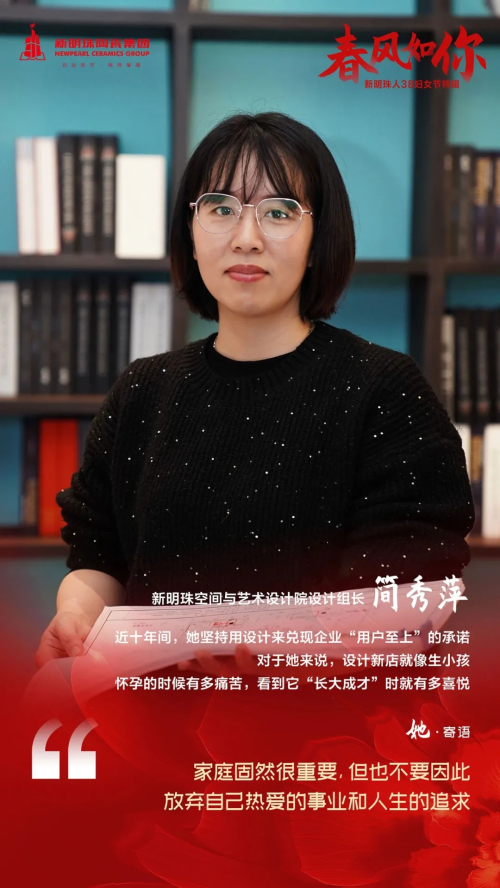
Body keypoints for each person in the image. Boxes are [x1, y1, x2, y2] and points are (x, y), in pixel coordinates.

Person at [35, 111, 474, 675]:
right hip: (149, 709)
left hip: (316, 718)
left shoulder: (385, 391)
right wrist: (77, 614)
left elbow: (404, 600)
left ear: (317, 240)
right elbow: (99, 557)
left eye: (279, 212)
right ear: (191, 233)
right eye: (221, 209)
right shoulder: (142, 391)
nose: (246, 238)